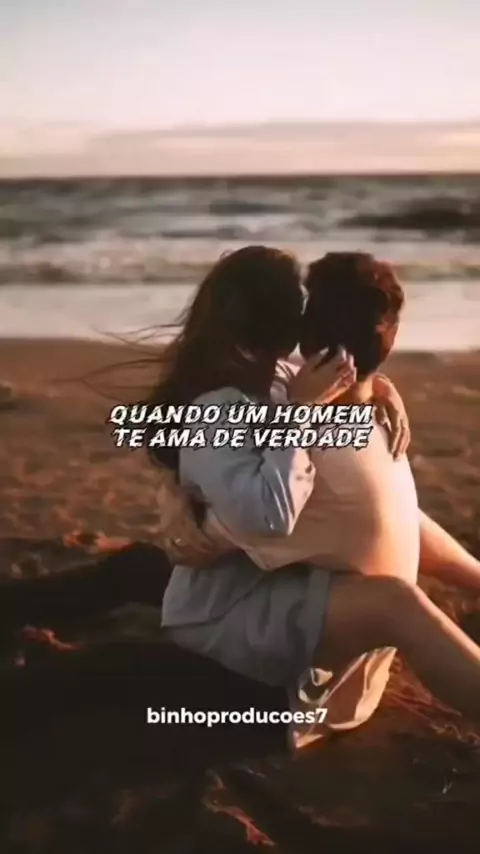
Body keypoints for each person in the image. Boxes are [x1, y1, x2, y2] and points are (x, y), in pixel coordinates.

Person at [159, 250, 480, 729]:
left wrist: (184, 510)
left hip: (296, 665)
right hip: (320, 654)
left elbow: (209, 534)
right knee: (393, 537)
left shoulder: (300, 423)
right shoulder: (362, 424)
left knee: (391, 569)